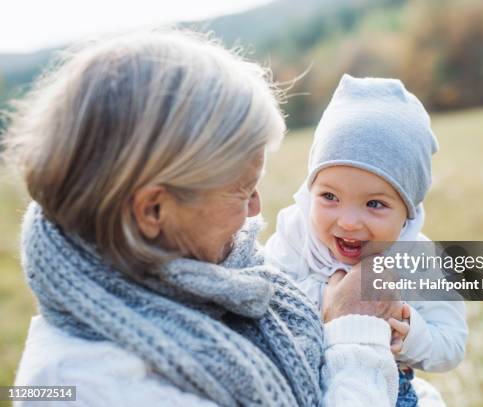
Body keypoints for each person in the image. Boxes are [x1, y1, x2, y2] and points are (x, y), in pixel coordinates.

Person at [0, 31, 440, 406]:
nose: (257, 211)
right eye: (242, 191)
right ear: (153, 210)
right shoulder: (82, 386)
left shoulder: (212, 273)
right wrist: (355, 337)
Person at [265, 75, 469, 406]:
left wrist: (408, 329)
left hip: (384, 391)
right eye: (329, 196)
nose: (347, 221)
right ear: (310, 190)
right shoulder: (295, 237)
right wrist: (327, 302)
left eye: (374, 204)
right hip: (296, 385)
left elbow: (452, 343)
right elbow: (268, 300)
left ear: (408, 212)